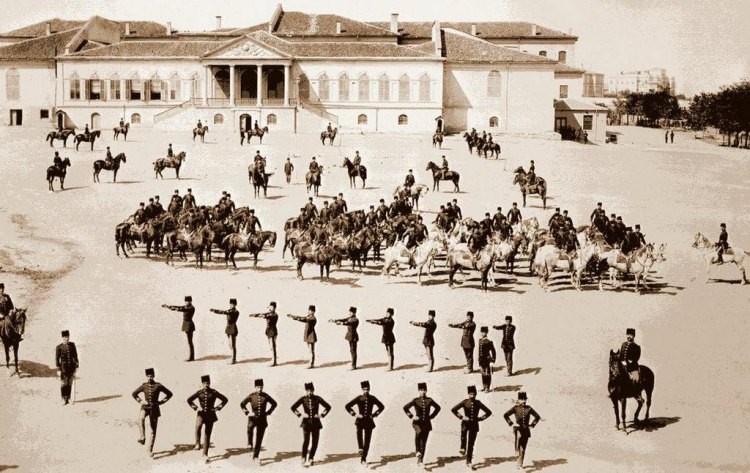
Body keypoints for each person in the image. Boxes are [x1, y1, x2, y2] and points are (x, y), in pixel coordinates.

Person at [132, 367, 173, 456]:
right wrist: (141, 401)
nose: (149, 378)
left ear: (153, 376)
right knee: (140, 418)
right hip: (145, 407)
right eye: (148, 376)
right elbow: (134, 394)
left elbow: (169, 394)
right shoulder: (144, 385)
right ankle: (142, 437)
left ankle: (149, 450)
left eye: (151, 376)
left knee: (153, 430)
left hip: (154, 408)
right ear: (146, 377)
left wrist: (161, 402)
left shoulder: (158, 385)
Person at [187, 375, 228, 463]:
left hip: (210, 415)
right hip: (201, 414)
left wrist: (217, 408)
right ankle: (197, 443)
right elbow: (189, 400)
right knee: (198, 426)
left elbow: (225, 399)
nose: (206, 385)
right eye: (204, 383)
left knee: (207, 434)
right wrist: (196, 407)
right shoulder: (199, 392)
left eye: (207, 383)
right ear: (202, 384)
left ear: (210, 383)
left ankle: (205, 454)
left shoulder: (214, 392)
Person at [345, 380, 385, 467]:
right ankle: (360, 448)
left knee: (367, 441)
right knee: (359, 434)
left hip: (369, 422)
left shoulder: (372, 398)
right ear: (362, 390)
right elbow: (347, 406)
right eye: (364, 389)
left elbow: (381, 406)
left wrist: (374, 415)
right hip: (360, 421)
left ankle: (363, 459)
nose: (366, 391)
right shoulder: (359, 398)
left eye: (367, 389)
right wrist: (355, 414)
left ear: (369, 389)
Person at [291, 382, 331, 467]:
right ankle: (303, 456)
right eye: (308, 391)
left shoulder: (318, 398)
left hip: (316, 423)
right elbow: (293, 407)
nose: (310, 392)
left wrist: (321, 415)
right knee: (306, 441)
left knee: (315, 442)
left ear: (313, 390)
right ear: (306, 391)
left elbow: (328, 407)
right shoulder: (303, 399)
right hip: (306, 423)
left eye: (311, 390)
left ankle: (311, 457)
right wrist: (300, 414)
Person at [452, 386, 492, 469]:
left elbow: (489, 412)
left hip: (474, 424)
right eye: (470, 394)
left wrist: (480, 418)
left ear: (476, 394)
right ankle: (462, 447)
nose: (472, 396)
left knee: (471, 444)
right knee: (463, 435)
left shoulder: (478, 403)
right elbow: (454, 409)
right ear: (468, 394)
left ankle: (469, 461)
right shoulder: (465, 402)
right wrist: (461, 417)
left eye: (473, 394)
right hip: (465, 423)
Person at [403, 382, 441, 469]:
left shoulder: (430, 400)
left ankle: (420, 460)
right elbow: (405, 407)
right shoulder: (415, 400)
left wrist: (431, 416)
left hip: (426, 423)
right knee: (418, 433)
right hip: (417, 423)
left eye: (424, 390)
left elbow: (438, 408)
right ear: (418, 391)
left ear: (426, 390)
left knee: (424, 442)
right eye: (420, 390)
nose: (422, 392)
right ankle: (417, 451)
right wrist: (412, 416)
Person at [240, 378, 277, 463]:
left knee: (259, 439)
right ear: (255, 387)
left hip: (262, 420)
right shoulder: (251, 396)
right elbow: (242, 404)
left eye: (261, 387)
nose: (259, 389)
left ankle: (256, 456)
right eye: (258, 387)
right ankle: (249, 442)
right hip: (253, 418)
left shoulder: (266, 396)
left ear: (263, 387)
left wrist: (269, 412)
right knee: (249, 429)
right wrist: (247, 412)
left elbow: (274, 403)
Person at [503, 392, 540, 470]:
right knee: (518, 438)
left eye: (524, 399)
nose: (523, 401)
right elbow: (505, 415)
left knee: (523, 449)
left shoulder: (529, 408)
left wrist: (532, 425)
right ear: (518, 400)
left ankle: (520, 465)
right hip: (518, 429)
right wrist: (511, 423)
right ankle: (516, 451)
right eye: (521, 399)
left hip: (526, 429)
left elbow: (537, 417)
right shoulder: (515, 408)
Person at [161, 296, 196, 362]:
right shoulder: (186, 307)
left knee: (190, 342)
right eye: (186, 301)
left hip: (189, 324)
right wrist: (168, 306)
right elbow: (178, 307)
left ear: (190, 301)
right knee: (189, 342)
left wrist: (175, 309)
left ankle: (192, 357)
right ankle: (191, 357)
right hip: (185, 324)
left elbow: (182, 309)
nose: (186, 302)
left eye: (188, 301)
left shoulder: (191, 308)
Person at [248, 301, 279, 366]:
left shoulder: (274, 315)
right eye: (269, 307)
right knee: (271, 346)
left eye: (272, 307)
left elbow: (266, 316)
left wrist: (260, 316)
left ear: (275, 308)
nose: (270, 309)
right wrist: (254, 315)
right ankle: (274, 359)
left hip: (272, 331)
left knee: (273, 346)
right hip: (269, 331)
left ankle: (274, 361)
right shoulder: (269, 313)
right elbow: (263, 314)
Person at [210, 298, 240, 365]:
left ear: (235, 304)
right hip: (229, 328)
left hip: (232, 328)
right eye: (231, 304)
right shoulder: (230, 310)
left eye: (233, 304)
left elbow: (224, 312)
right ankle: (233, 358)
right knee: (230, 345)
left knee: (232, 345)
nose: (231, 305)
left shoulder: (235, 311)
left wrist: (215, 310)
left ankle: (233, 359)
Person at [55, 329, 79, 405]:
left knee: (69, 383)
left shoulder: (72, 345)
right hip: (63, 368)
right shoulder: (59, 347)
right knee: (64, 383)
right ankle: (63, 398)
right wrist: (58, 369)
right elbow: (57, 359)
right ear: (62, 338)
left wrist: (77, 366)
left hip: (71, 367)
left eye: (67, 337)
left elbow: (75, 356)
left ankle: (69, 397)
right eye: (65, 337)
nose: (67, 339)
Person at [477, 327, 496, 392]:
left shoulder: (489, 341)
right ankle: (484, 386)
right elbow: (479, 351)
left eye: (484, 332)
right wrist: (479, 360)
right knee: (483, 373)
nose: (483, 333)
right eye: (482, 332)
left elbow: (493, 351)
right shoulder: (480, 340)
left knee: (487, 374)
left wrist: (493, 360)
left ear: (487, 333)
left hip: (487, 360)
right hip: (481, 360)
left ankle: (487, 387)